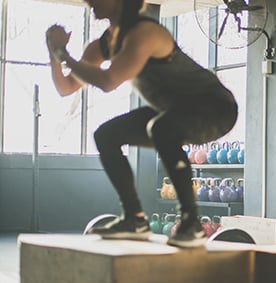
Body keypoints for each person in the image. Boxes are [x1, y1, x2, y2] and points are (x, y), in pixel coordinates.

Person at [45, 0, 238, 248]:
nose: (90, 1)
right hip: (175, 110)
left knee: (161, 128)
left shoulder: (145, 33)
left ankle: (192, 224)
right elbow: (66, 87)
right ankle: (134, 219)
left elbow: (108, 81)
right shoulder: (104, 44)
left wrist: (64, 55)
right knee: (106, 135)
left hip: (215, 107)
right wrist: (54, 51)